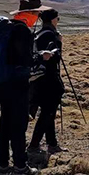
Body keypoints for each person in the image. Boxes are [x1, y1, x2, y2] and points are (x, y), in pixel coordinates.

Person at [0, 0, 54, 175]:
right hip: (17, 85)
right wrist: (41, 56)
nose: (38, 18)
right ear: (31, 13)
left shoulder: (8, 28)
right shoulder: (22, 31)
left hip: (3, 83)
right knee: (18, 126)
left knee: (5, 125)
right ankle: (20, 166)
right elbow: (24, 60)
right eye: (37, 14)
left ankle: (2, 166)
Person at [27, 9, 67, 154]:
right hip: (49, 80)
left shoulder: (38, 34)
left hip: (37, 79)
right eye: (57, 19)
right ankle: (34, 145)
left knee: (47, 113)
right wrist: (59, 42)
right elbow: (55, 59)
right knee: (47, 114)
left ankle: (52, 143)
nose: (58, 21)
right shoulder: (50, 35)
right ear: (52, 20)